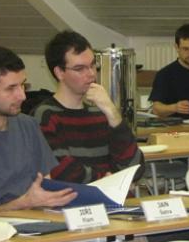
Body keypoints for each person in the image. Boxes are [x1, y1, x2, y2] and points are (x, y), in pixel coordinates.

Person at [0, 46, 77, 213]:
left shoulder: (28, 125)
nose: (22, 96)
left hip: (38, 218)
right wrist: (22, 204)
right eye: (11, 88)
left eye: (22, 85)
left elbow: (46, 186)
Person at [33, 30, 144, 184]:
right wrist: (107, 180)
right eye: (80, 69)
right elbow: (62, 171)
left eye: (92, 65)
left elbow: (135, 169)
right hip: (77, 197)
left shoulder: (100, 112)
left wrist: (113, 113)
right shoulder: (45, 116)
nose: (91, 74)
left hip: (109, 195)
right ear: (59, 72)